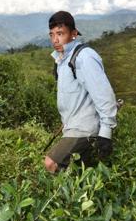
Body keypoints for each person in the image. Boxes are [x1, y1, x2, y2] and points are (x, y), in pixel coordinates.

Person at [44, 11, 118, 172]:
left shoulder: (84, 57)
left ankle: (63, 196)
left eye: (60, 34)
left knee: (51, 163)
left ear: (74, 34)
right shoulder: (62, 59)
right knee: (80, 171)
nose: (55, 40)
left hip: (85, 128)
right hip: (72, 126)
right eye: (52, 34)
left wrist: (105, 133)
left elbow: (104, 96)